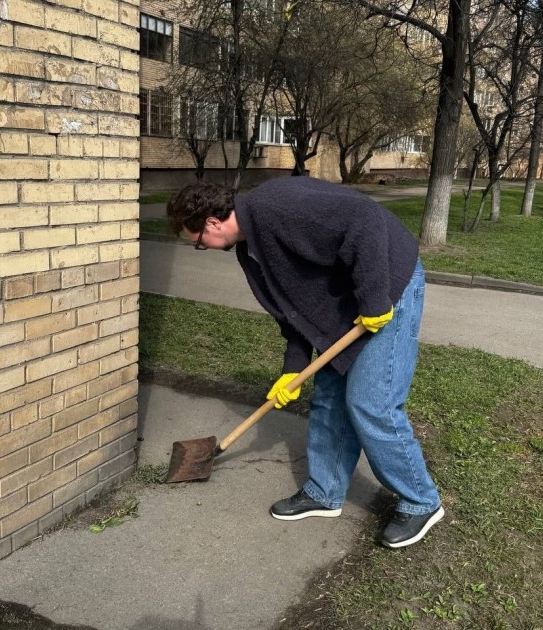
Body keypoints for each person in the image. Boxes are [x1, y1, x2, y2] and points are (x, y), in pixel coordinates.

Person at [166, 177, 443, 548]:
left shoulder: (274, 208)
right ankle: (325, 492)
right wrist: (292, 370)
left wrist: (375, 299)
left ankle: (421, 500)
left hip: (389, 285)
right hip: (346, 301)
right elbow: (292, 312)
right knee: (329, 397)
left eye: (197, 243)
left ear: (212, 224)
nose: (202, 247)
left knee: (370, 402)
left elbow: (364, 218)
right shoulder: (249, 249)